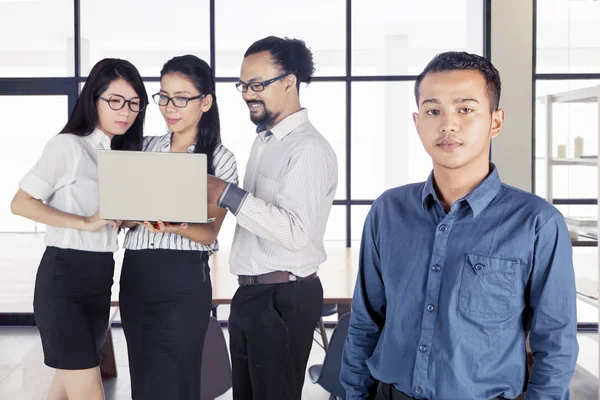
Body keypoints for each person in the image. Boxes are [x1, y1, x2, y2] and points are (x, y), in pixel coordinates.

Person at [340, 51, 579, 400]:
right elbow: (365, 323)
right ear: (417, 121)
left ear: (495, 121)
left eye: (465, 109)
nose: (448, 124)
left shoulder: (537, 224)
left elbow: (555, 345)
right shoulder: (388, 212)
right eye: (433, 111)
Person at [206, 36, 338, 400]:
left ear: (289, 82)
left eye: (257, 84)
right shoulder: (265, 142)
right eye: (243, 85)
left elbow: (296, 233)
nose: (248, 93)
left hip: (284, 296)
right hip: (253, 294)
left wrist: (227, 194)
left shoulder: (307, 148)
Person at [10, 58, 147, 400]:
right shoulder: (69, 146)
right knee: (88, 391)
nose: (125, 111)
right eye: (115, 100)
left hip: (100, 278)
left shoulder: (119, 156)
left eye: (133, 103)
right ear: (93, 99)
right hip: (64, 279)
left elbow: (111, 220)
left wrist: (135, 218)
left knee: (64, 385)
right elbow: (20, 203)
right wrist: (85, 222)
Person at [119, 54, 238, 400]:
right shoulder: (143, 148)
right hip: (137, 274)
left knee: (182, 378)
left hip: (184, 280)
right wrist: (148, 214)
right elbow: (123, 217)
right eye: (164, 97)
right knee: (142, 373)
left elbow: (208, 232)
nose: (170, 107)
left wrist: (167, 222)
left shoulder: (219, 158)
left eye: (181, 98)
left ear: (205, 102)